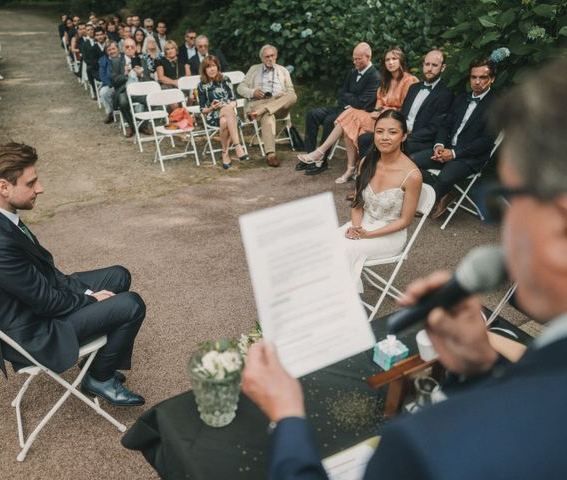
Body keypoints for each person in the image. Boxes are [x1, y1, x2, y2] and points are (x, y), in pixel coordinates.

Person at [242, 59, 567, 480]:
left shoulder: (425, 446)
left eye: (505, 199)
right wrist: (479, 365)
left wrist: (287, 416)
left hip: (387, 234)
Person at [0, 142, 147, 406]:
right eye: (31, 184)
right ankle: (99, 377)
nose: (39, 189)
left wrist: (85, 292)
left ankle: (97, 361)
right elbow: (46, 302)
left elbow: (46, 272)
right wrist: (91, 300)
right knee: (132, 305)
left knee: (118, 276)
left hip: (37, 303)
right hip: (35, 331)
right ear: (4, 187)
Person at [299, 47, 418, 183]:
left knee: (349, 116)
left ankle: (321, 152)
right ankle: (350, 168)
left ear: (401, 60)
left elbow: (408, 109)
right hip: (379, 118)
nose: (390, 62)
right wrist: (378, 111)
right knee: (349, 126)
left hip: (394, 121)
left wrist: (386, 111)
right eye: (387, 60)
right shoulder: (386, 80)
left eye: (394, 59)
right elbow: (378, 103)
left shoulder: (410, 80)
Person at [337, 110, 422, 289]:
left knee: (344, 250)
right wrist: (356, 227)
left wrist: (368, 235)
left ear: (403, 136)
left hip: (390, 235)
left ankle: (342, 304)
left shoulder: (412, 175)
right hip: (363, 224)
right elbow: (357, 202)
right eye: (379, 131)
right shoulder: (367, 162)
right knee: (327, 244)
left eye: (392, 132)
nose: (385, 137)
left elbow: (405, 221)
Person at [411, 57, 497, 218]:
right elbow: (445, 125)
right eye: (473, 77)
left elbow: (486, 141)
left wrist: (454, 154)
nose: (477, 81)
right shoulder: (461, 98)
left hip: (470, 157)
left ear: (491, 79)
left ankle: (430, 199)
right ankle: (445, 194)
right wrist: (439, 146)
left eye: (482, 77)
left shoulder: (496, 105)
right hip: (447, 149)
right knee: (411, 162)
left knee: (445, 177)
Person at [300, 42, 380, 176]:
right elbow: (342, 93)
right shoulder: (353, 72)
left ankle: (321, 161)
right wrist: (348, 100)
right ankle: (310, 156)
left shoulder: (375, 77)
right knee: (312, 114)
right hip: (343, 108)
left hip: (357, 114)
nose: (354, 62)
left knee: (329, 120)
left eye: (358, 59)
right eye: (353, 58)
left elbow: (363, 103)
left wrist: (348, 98)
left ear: (368, 57)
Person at [357, 49, 453, 158]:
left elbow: (434, 128)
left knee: (391, 145)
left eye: (434, 65)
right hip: (400, 132)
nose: (429, 69)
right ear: (423, 65)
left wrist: (404, 136)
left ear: (443, 67)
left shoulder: (445, 94)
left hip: (419, 140)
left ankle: (382, 173)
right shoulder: (414, 88)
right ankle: (365, 172)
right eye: (427, 64)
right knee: (364, 139)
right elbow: (402, 113)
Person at [237, 44, 297, 167]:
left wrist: (282, 94)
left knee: (293, 96)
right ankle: (271, 155)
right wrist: (252, 92)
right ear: (262, 59)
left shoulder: (283, 70)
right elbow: (240, 88)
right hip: (259, 102)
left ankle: (262, 111)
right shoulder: (254, 69)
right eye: (267, 56)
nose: (270, 59)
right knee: (268, 116)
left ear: (276, 56)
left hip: (278, 105)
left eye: (272, 56)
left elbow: (290, 90)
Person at [197, 56, 248, 169]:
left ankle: (225, 153)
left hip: (229, 115)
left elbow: (234, 100)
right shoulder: (201, 85)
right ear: (204, 70)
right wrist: (211, 107)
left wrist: (227, 106)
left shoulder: (225, 79)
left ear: (217, 67)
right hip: (214, 114)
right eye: (208, 67)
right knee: (226, 112)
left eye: (214, 66)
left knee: (224, 120)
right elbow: (202, 109)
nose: (212, 69)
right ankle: (237, 145)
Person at [99, 40, 121, 124]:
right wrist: (111, 85)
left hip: (123, 84)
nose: (112, 51)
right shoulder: (103, 60)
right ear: (106, 52)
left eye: (113, 49)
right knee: (103, 92)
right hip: (110, 85)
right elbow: (102, 75)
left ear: (118, 49)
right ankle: (110, 112)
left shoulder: (123, 57)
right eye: (109, 50)